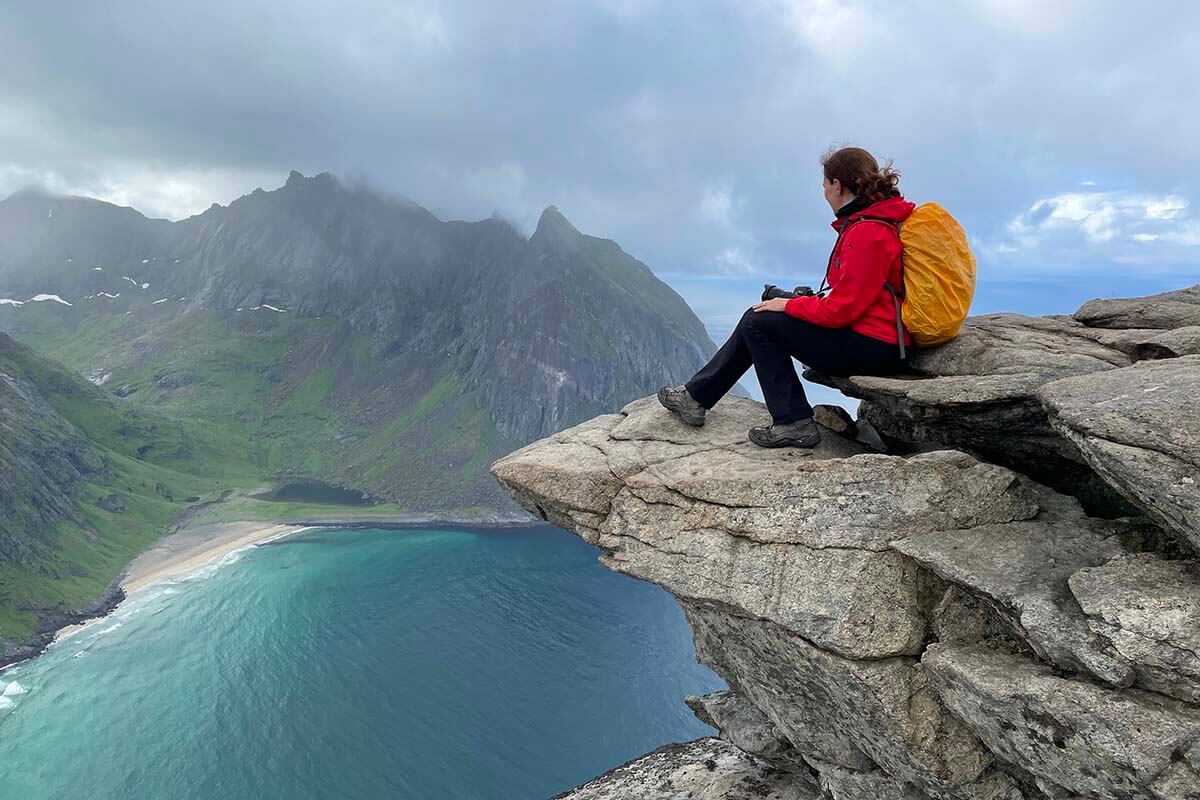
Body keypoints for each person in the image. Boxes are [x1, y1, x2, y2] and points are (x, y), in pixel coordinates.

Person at [658, 146, 913, 448]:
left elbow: (841, 310)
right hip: (875, 339)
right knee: (761, 315)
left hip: (871, 346)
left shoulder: (866, 232)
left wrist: (790, 305)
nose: (825, 194)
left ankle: (792, 421)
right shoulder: (872, 222)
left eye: (825, 186)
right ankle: (695, 397)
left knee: (759, 321)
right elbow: (856, 297)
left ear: (837, 186)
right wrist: (793, 303)